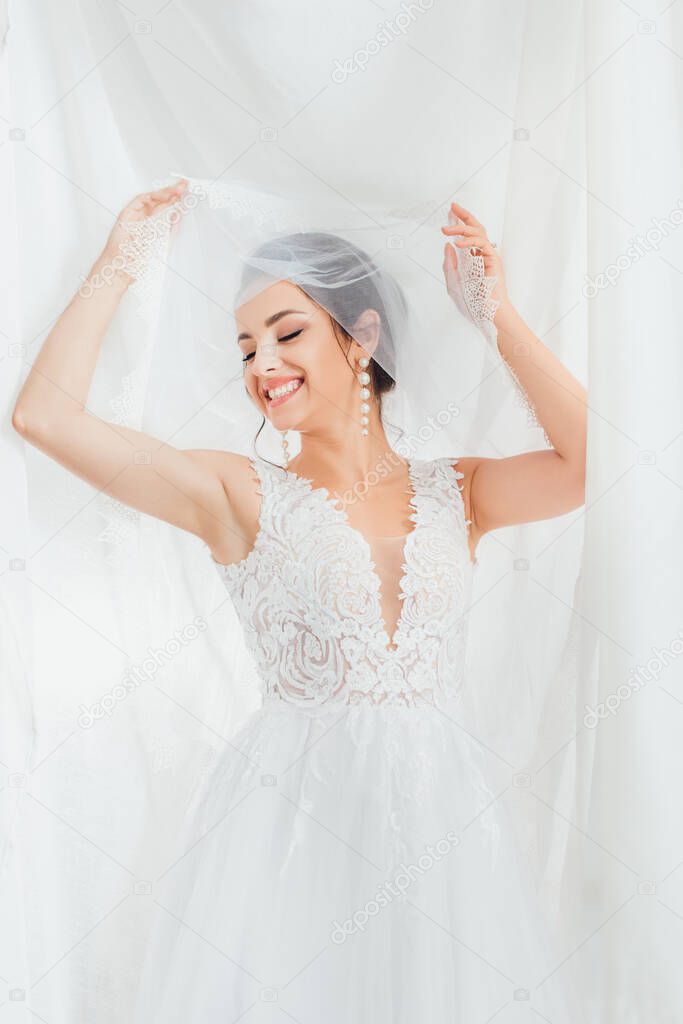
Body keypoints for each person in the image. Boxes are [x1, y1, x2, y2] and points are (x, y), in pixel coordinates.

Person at [12, 178, 588, 1022]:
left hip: (441, 818)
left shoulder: (455, 492)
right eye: (245, 348)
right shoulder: (236, 491)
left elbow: (592, 462)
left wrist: (493, 314)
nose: (262, 367)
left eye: (286, 334)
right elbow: (45, 419)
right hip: (290, 823)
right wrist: (117, 264)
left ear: (362, 339)